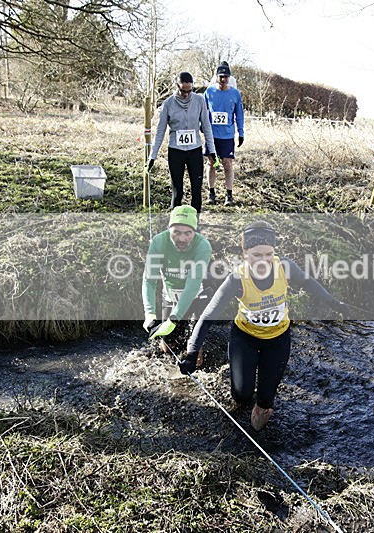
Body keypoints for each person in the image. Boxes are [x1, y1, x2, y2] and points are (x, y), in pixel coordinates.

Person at [183, 221, 350, 431]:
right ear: (245, 253)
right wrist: (192, 352)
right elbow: (208, 315)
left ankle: (257, 432)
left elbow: (308, 282)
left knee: (265, 401)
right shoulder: (237, 279)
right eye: (256, 255)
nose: (263, 260)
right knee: (242, 395)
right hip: (245, 338)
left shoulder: (285, 267)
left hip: (278, 339)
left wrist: (334, 303)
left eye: (268, 254)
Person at [143, 205, 213, 355]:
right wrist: (149, 314)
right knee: (167, 347)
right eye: (176, 232)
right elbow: (149, 280)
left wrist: (174, 319)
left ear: (195, 232)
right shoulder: (159, 242)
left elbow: (192, 286)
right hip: (171, 297)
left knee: (195, 348)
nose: (182, 239)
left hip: (197, 296)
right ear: (169, 229)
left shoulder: (203, 246)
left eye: (188, 233)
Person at [148, 72, 216, 213]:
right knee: (177, 190)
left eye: (189, 91)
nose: (186, 94)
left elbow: (207, 127)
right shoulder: (168, 104)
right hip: (176, 151)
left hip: (195, 150)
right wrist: (152, 157)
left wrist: (212, 150)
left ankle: (195, 221)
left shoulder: (199, 100)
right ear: (177, 86)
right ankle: (175, 221)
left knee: (196, 189)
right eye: (183, 91)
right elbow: (160, 132)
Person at [204, 62, 245, 206]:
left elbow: (239, 114)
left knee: (227, 164)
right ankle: (211, 192)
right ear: (216, 77)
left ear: (229, 78)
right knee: (211, 163)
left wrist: (241, 132)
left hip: (227, 135)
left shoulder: (235, 93)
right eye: (221, 77)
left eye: (226, 77)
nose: (223, 80)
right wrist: (201, 126)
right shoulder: (209, 92)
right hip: (211, 135)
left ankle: (229, 194)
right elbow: (203, 111)